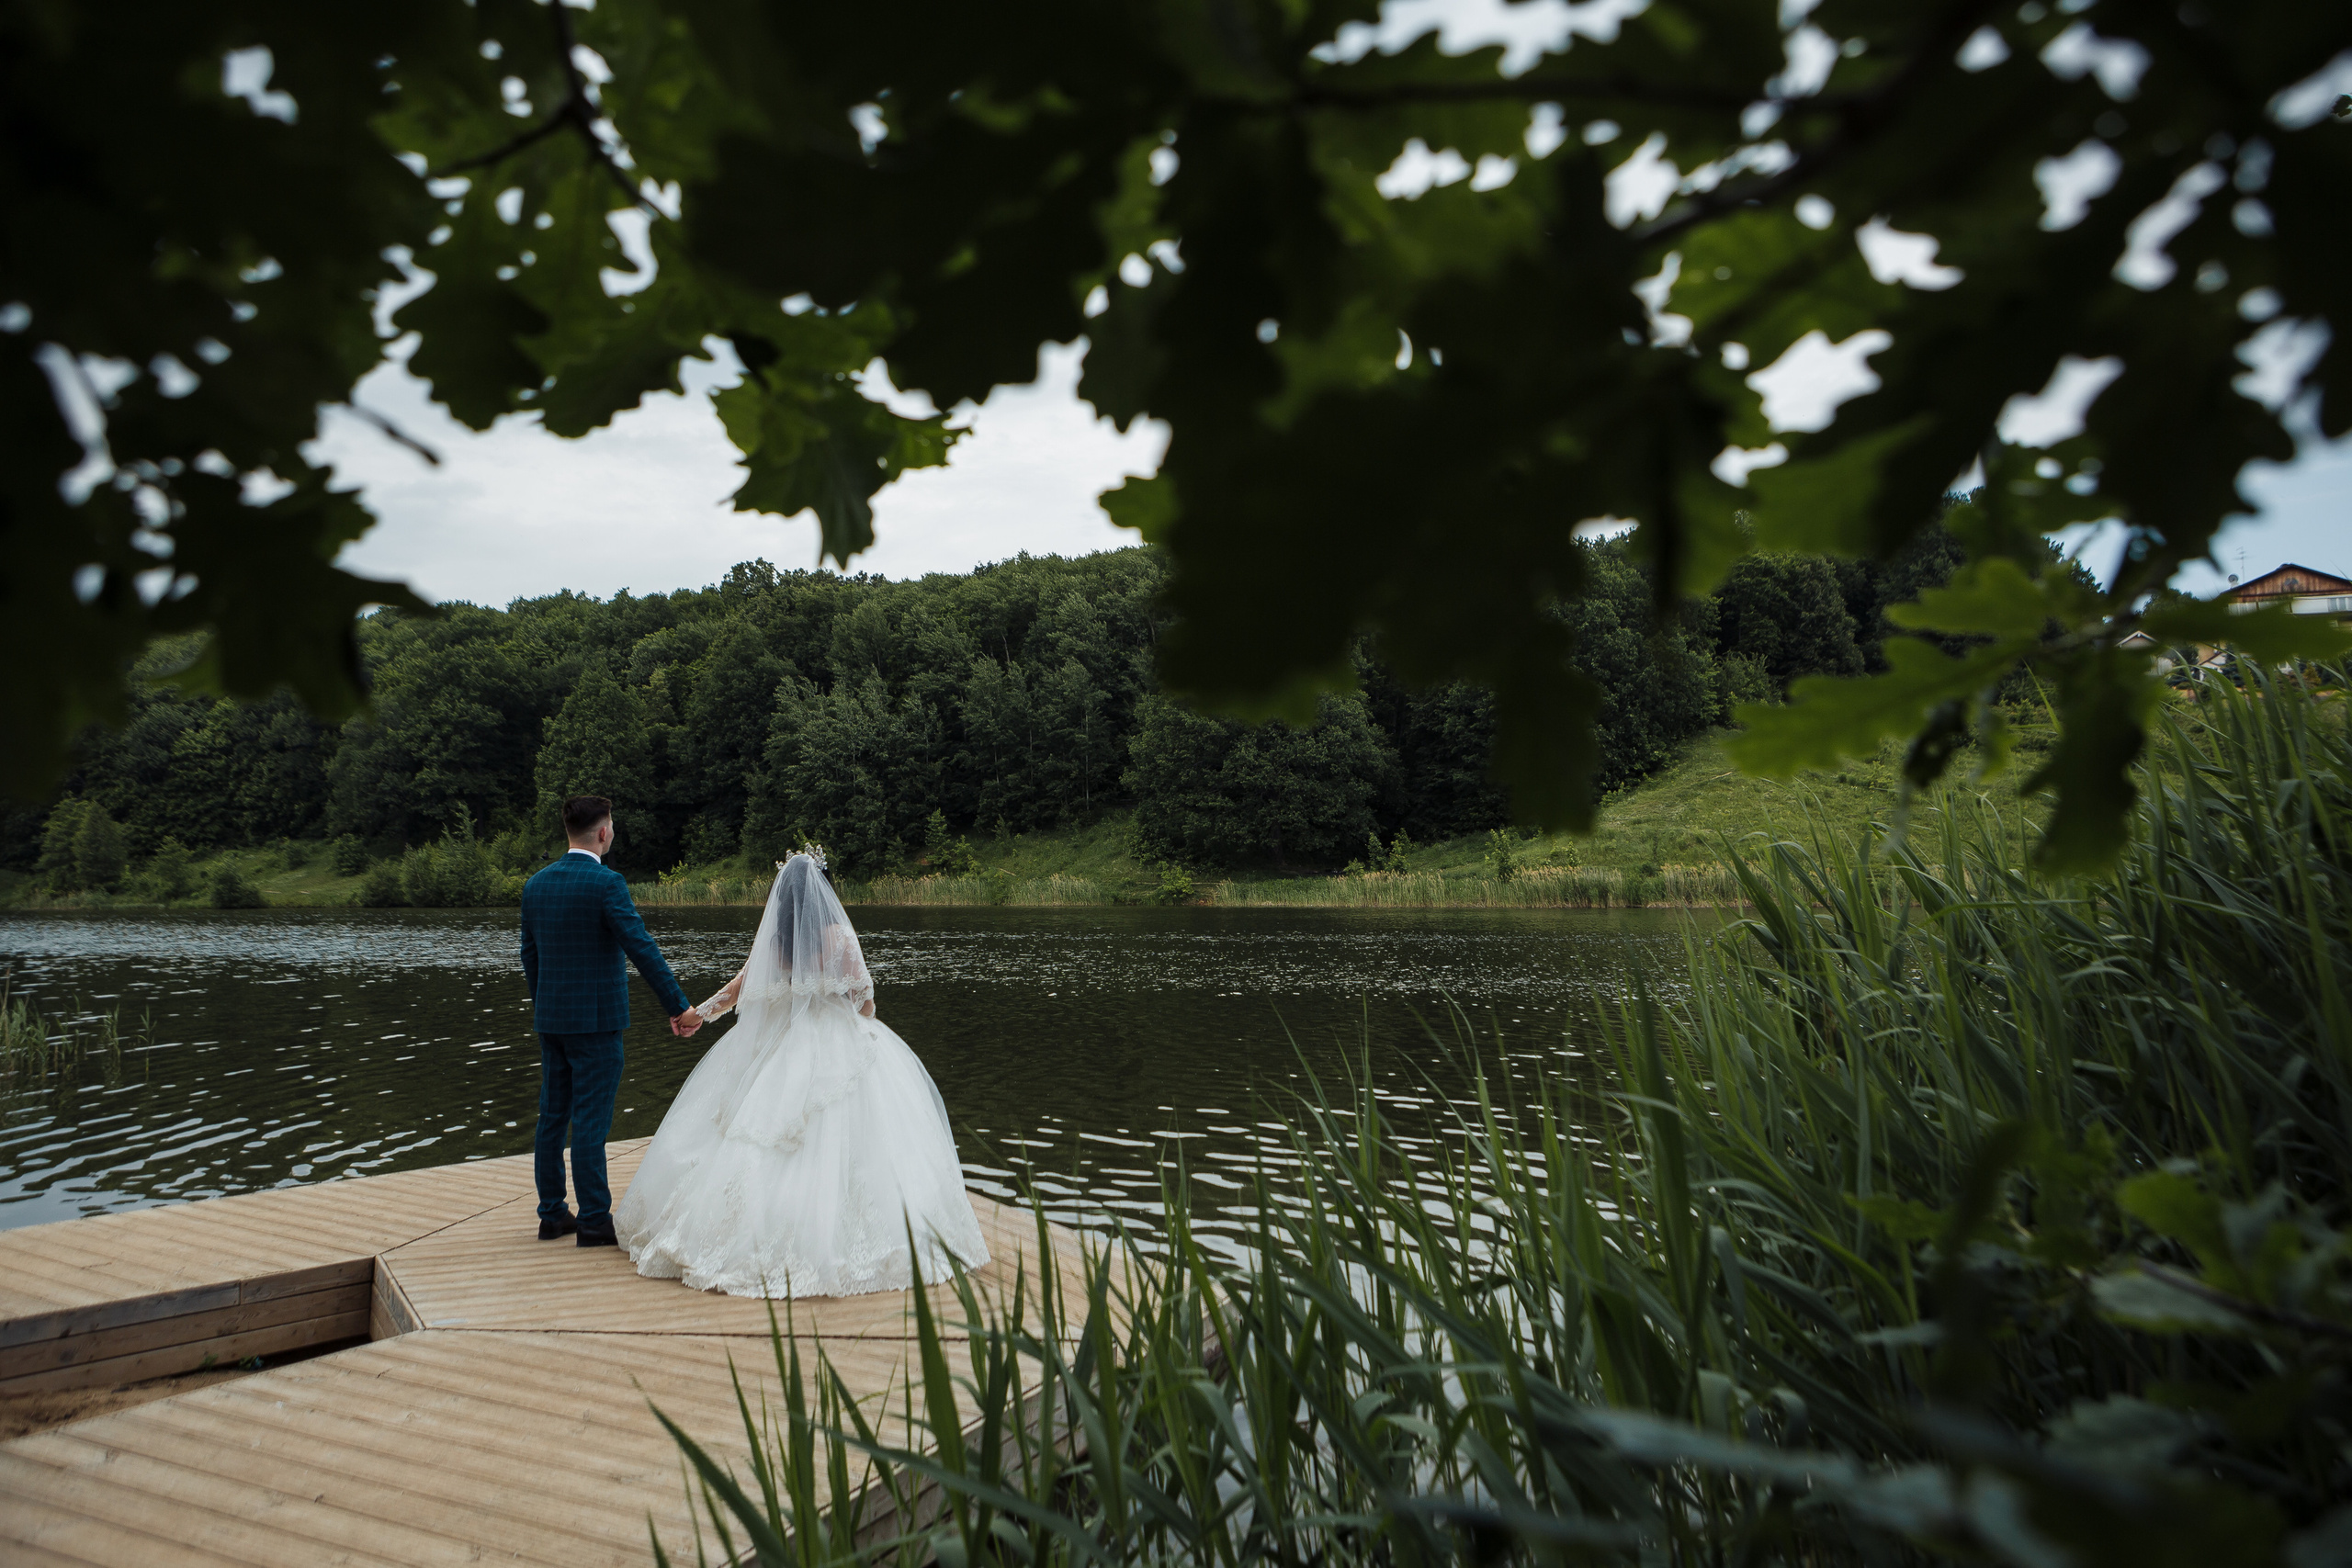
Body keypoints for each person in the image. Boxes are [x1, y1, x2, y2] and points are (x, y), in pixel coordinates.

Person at [614, 848, 989, 1297]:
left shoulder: (776, 941)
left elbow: (738, 989)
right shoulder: (839, 937)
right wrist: (860, 1021)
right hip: (835, 1039)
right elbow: (864, 1001)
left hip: (781, 1044)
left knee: (755, 1134)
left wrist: (697, 1014)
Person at [518, 795, 704, 1247]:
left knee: (552, 1116)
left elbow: (530, 956)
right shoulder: (606, 883)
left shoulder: (536, 885)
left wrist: (545, 1007)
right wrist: (678, 1006)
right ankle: (594, 1220)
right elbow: (641, 947)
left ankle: (552, 1215)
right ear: (603, 832)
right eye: (613, 826)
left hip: (551, 1021)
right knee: (591, 1121)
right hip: (597, 1024)